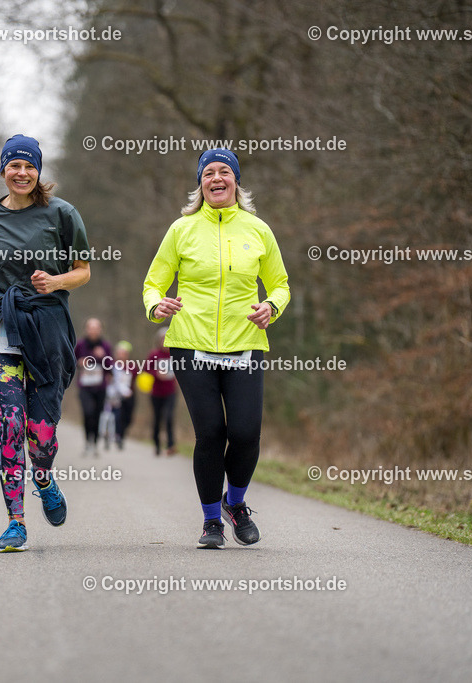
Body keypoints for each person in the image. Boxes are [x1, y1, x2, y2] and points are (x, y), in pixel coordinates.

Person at [142, 148, 290, 549]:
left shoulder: (258, 230)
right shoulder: (181, 230)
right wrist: (157, 305)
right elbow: (153, 282)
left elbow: (280, 284)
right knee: (210, 433)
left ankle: (235, 504)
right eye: (209, 173)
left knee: (245, 433)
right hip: (191, 345)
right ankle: (211, 523)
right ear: (200, 184)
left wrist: (271, 306)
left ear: (236, 182)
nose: (217, 178)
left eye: (225, 171)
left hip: (245, 344)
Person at [0, 134, 91, 552]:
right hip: (4, 324)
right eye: (14, 166)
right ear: (3, 170)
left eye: (29, 166)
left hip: (48, 326)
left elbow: (83, 270)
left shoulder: (62, 214)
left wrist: (54, 281)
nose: (21, 173)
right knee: (10, 422)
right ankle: (16, 521)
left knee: (41, 432)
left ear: (38, 171)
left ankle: (43, 476)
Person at [74, 318, 112, 457]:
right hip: (85, 387)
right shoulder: (80, 345)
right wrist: (79, 362)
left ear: (100, 330)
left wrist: (103, 357)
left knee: (97, 415)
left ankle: (95, 443)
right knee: (87, 413)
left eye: (96, 328)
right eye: (91, 327)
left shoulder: (105, 346)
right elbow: (71, 363)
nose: (94, 330)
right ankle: (87, 442)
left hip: (100, 387)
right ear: (86, 329)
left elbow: (110, 367)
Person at [145, 328, 177, 456]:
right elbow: (146, 369)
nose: (165, 341)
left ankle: (170, 445)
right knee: (157, 418)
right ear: (159, 341)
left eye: (167, 339)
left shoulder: (174, 355)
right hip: (156, 392)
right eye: (163, 339)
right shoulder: (154, 354)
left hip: (170, 391)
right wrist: (156, 373)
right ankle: (157, 444)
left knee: (169, 417)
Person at [111, 340, 136, 449]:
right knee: (118, 416)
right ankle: (118, 435)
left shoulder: (132, 366)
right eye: (119, 352)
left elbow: (138, 379)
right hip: (115, 396)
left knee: (128, 418)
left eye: (124, 353)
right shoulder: (111, 366)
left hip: (130, 395)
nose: (121, 355)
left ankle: (122, 434)